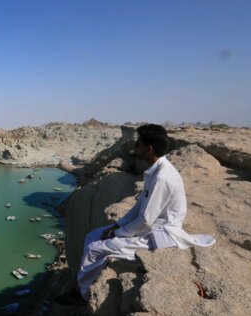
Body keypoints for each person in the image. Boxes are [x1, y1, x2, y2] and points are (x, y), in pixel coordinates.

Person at [70, 124, 216, 301]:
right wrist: (118, 224)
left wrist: (116, 233)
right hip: (149, 227)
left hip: (160, 234)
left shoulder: (162, 178)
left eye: (138, 144)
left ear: (149, 149)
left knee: (95, 249)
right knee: (92, 236)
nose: (134, 147)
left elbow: (146, 220)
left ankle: (83, 294)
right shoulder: (155, 171)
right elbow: (140, 206)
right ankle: (83, 283)